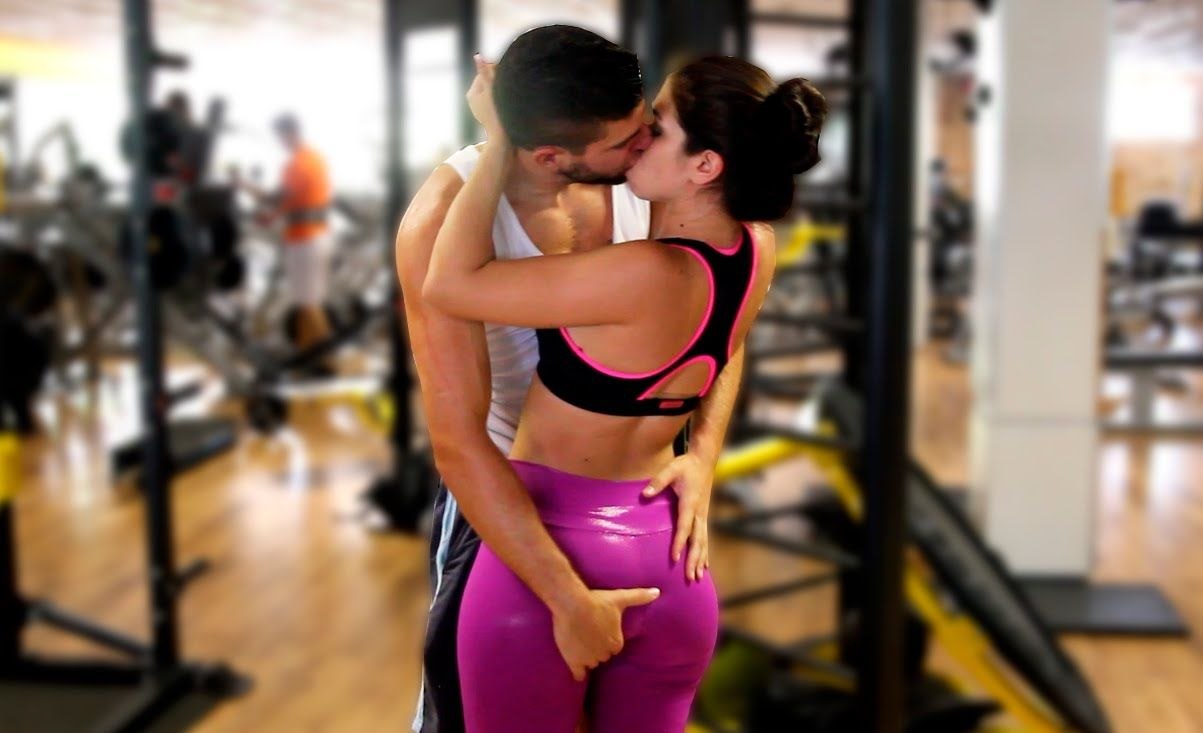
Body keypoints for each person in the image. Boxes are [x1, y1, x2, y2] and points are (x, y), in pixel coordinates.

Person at [422, 51, 825, 733]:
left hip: (552, 558)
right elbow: (728, 341)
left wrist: (498, 137)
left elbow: (449, 286)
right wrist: (702, 457)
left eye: (658, 127)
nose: (639, 137)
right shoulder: (755, 249)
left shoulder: (639, 273)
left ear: (705, 166)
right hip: (673, 565)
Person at [243, 113, 334, 357]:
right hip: (311, 234)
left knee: (309, 303)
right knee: (304, 303)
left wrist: (244, 185)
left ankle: (328, 357)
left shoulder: (299, 163)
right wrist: (271, 216)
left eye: (280, 136)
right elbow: (291, 200)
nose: (280, 142)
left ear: (290, 133)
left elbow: (275, 197)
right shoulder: (313, 159)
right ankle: (307, 355)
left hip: (306, 238)